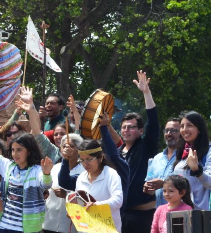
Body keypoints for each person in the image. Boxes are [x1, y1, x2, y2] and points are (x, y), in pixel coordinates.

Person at [0, 109, 54, 233]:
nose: (15, 154)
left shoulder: (36, 170)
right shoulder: (8, 166)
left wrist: (46, 173)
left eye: (19, 150)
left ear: (29, 151)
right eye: (13, 150)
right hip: (4, 226)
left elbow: (46, 185)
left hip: (27, 229)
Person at [118, 71, 160, 233]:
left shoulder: (145, 147)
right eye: (124, 127)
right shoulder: (116, 153)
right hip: (121, 215)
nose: (126, 130)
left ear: (140, 130)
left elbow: (154, 123)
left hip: (144, 216)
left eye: (131, 127)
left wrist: (146, 93)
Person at [76, 139, 124, 232]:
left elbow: (118, 200)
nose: (85, 163)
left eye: (89, 159)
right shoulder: (81, 177)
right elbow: (79, 201)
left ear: (100, 158)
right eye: (82, 160)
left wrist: (96, 205)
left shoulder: (111, 174)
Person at [43, 133, 85, 233]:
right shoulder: (55, 168)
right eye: (64, 146)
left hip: (70, 226)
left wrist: (66, 195)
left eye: (71, 146)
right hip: (49, 223)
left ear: (79, 150)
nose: (67, 148)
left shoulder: (84, 171)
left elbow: (86, 197)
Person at [172, 111, 211, 210]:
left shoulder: (210, 151)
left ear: (199, 129)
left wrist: (196, 169)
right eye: (182, 126)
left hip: (203, 215)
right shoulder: (182, 152)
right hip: (182, 212)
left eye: (189, 125)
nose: (184, 130)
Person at [143, 118, 181, 207]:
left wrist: (164, 184)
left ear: (182, 133)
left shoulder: (185, 157)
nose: (169, 134)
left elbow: (188, 185)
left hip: (180, 211)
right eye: (167, 130)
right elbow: (150, 184)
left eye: (173, 130)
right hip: (160, 212)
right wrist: (148, 188)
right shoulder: (156, 159)